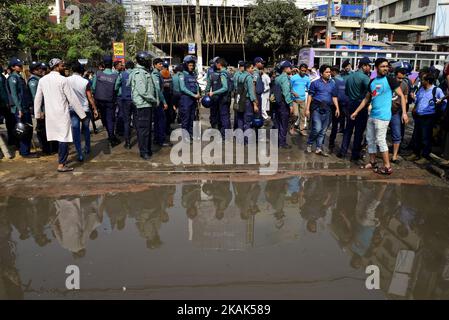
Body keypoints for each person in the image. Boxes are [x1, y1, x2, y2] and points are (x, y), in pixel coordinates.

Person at [351, 58, 408, 175]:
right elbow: (367, 98)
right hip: (372, 115)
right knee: (370, 139)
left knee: (381, 140)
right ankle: (372, 162)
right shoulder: (372, 82)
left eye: (386, 66)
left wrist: (404, 113)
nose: (385, 68)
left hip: (383, 116)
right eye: (382, 66)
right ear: (376, 68)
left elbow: (402, 96)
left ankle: (387, 166)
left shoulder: (390, 80)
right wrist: (356, 111)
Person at [33, 58, 87, 172]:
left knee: (57, 137)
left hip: (50, 114)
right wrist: (82, 115)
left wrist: (37, 114)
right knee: (64, 138)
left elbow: (37, 98)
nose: (63, 67)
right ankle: (61, 165)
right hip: (62, 114)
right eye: (62, 65)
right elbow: (72, 99)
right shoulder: (63, 80)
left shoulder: (43, 80)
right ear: (57, 66)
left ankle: (61, 161)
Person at [406, 73, 447, 164]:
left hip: (428, 117)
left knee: (426, 137)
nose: (421, 81)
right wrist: (414, 101)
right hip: (418, 116)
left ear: (428, 81)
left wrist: (441, 113)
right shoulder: (421, 89)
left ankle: (425, 156)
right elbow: (418, 101)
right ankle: (415, 153)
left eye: (423, 80)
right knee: (417, 135)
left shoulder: (436, 90)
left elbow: (444, 102)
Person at [337, 57, 371, 161]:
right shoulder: (365, 78)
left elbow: (346, 92)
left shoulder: (350, 77)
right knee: (359, 131)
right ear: (364, 66)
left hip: (350, 104)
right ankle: (355, 154)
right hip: (360, 105)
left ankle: (343, 151)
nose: (370, 68)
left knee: (348, 129)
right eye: (369, 66)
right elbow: (372, 92)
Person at [129, 52, 159, 160]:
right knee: (143, 130)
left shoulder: (145, 71)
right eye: (148, 60)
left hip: (147, 104)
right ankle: (144, 151)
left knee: (147, 129)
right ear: (143, 61)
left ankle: (147, 149)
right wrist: (154, 100)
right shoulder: (139, 73)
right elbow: (143, 91)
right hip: (142, 105)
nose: (149, 62)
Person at [67, 61, 99, 161]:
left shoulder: (66, 80)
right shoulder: (85, 81)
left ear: (72, 70)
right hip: (85, 109)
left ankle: (79, 153)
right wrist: (94, 109)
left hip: (72, 109)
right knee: (86, 130)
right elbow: (89, 97)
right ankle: (88, 148)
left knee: (75, 131)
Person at [305, 64, 340, 157]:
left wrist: (337, 108)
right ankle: (309, 143)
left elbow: (334, 96)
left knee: (323, 131)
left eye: (330, 72)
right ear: (321, 73)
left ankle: (318, 148)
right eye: (327, 72)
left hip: (328, 109)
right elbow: (310, 96)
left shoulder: (333, 84)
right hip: (317, 108)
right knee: (317, 128)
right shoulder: (315, 83)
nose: (329, 74)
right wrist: (307, 109)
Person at [7, 57, 38, 158]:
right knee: (23, 130)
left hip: (25, 107)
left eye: (21, 65)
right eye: (18, 66)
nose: (21, 67)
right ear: (12, 67)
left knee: (28, 128)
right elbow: (14, 95)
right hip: (19, 109)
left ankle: (25, 150)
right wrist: (19, 109)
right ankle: (24, 152)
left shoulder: (19, 77)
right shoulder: (13, 78)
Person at [28, 61, 57, 155]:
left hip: (46, 108)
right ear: (33, 70)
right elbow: (35, 98)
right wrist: (39, 111)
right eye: (38, 69)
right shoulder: (33, 81)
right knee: (42, 131)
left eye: (41, 68)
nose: (41, 70)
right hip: (41, 110)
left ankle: (51, 148)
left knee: (48, 129)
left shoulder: (40, 79)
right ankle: (46, 150)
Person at [92, 56, 121, 147]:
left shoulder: (98, 74)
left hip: (99, 100)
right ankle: (111, 137)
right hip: (110, 100)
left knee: (104, 118)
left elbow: (93, 87)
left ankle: (110, 135)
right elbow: (116, 88)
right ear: (112, 64)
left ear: (103, 64)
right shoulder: (116, 75)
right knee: (110, 119)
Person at [205, 57, 230, 136]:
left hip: (217, 98)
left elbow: (208, 87)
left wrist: (209, 94)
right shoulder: (228, 73)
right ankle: (223, 132)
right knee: (224, 116)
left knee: (216, 116)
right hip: (225, 98)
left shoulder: (215, 74)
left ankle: (219, 133)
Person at [234, 61, 258, 140]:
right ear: (247, 68)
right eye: (252, 68)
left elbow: (235, 87)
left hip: (239, 99)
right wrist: (255, 103)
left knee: (240, 119)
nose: (253, 69)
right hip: (247, 101)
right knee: (247, 121)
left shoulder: (238, 76)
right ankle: (246, 140)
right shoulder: (249, 77)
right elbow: (251, 92)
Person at [179, 55, 200, 141]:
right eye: (190, 65)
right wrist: (194, 95)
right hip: (186, 100)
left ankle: (191, 135)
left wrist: (198, 93)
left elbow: (196, 84)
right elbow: (182, 88)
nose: (191, 67)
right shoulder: (182, 74)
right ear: (186, 65)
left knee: (192, 118)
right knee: (186, 119)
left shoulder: (193, 75)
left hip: (193, 100)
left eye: (192, 65)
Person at [390, 68, 409, 163]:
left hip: (396, 112)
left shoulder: (404, 85)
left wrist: (404, 113)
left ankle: (394, 156)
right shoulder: (389, 82)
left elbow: (405, 98)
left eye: (402, 78)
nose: (400, 80)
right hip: (384, 111)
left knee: (397, 134)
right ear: (395, 75)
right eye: (398, 78)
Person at [273, 60, 294, 149]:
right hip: (284, 104)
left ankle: (278, 141)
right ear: (285, 69)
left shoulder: (277, 78)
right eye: (290, 67)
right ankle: (282, 143)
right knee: (284, 124)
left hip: (277, 103)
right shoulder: (285, 78)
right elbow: (286, 93)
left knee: (278, 123)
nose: (291, 69)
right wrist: (290, 104)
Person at [329, 66, 349, 152]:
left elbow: (332, 93)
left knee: (334, 124)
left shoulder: (333, 81)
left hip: (336, 105)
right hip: (346, 104)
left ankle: (331, 142)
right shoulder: (345, 80)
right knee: (347, 125)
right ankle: (344, 145)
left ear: (333, 72)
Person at [117, 60, 136, 149]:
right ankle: (140, 141)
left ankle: (128, 143)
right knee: (137, 120)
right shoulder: (137, 73)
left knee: (127, 121)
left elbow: (116, 85)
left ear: (126, 67)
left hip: (126, 100)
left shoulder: (122, 74)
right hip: (136, 100)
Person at [151, 58, 170, 147]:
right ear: (155, 65)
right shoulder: (155, 75)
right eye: (159, 64)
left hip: (157, 100)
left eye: (161, 64)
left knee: (157, 120)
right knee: (161, 120)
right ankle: (160, 140)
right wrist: (164, 102)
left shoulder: (158, 74)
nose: (161, 65)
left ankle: (157, 138)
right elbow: (158, 90)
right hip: (158, 101)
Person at [290, 63, 310, 136]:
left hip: (303, 100)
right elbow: (289, 88)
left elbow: (309, 88)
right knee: (295, 115)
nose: (303, 72)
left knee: (302, 115)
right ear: (299, 70)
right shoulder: (293, 78)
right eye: (302, 70)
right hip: (294, 100)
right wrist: (293, 92)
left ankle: (301, 129)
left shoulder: (307, 79)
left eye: (305, 71)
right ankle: (292, 127)